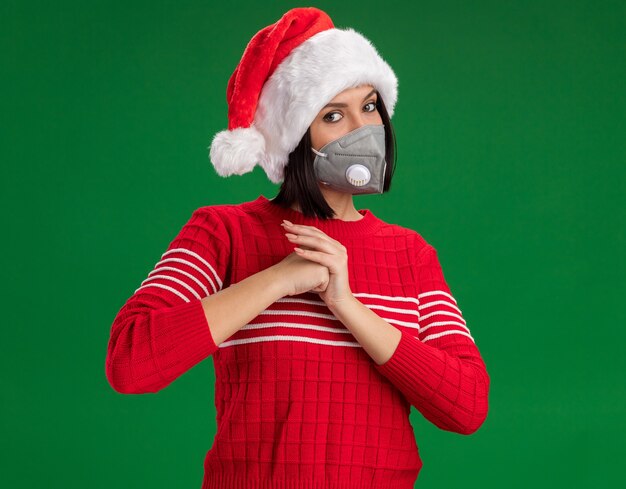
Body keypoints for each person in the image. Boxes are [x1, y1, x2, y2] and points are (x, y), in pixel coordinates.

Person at [105, 7, 490, 488]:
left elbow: (468, 406)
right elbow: (130, 361)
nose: (362, 129)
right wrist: (277, 279)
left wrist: (347, 306)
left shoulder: (410, 254)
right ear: (293, 139)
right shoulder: (225, 233)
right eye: (333, 114)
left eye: (369, 107)